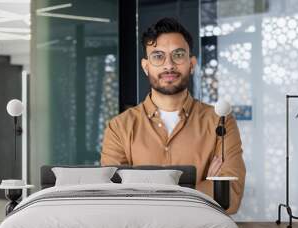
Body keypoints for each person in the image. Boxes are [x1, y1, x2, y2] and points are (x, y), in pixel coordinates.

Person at [100, 18, 246, 214]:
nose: (169, 65)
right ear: (146, 66)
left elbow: (230, 198)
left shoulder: (220, 121)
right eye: (158, 56)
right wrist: (201, 188)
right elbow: (116, 199)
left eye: (178, 55)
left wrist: (147, 192)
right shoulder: (119, 127)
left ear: (191, 63)